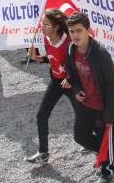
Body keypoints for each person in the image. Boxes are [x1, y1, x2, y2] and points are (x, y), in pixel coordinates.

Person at [64, 12, 114, 183]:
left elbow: (111, 84)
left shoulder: (101, 55)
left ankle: (107, 168)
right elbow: (71, 74)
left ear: (88, 30)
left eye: (78, 31)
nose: (74, 35)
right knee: (80, 136)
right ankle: (103, 152)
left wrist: (110, 112)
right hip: (83, 105)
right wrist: (76, 90)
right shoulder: (71, 50)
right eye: (71, 31)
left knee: (105, 138)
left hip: (101, 107)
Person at [25, 10, 73, 164]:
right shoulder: (46, 38)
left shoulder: (68, 43)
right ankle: (43, 153)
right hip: (56, 82)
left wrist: (70, 79)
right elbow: (52, 60)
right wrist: (37, 58)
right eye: (41, 23)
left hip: (71, 84)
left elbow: (78, 64)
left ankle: (98, 143)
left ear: (57, 27)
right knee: (41, 115)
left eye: (46, 24)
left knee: (85, 115)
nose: (41, 27)